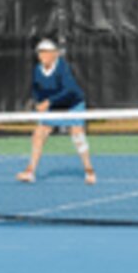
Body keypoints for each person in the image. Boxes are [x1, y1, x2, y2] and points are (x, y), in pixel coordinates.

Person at [16, 38, 96, 185]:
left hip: (73, 104)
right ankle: (30, 171)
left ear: (55, 54)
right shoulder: (37, 70)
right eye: (41, 53)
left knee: (77, 133)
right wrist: (39, 103)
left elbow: (69, 90)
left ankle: (89, 170)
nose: (43, 56)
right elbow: (36, 89)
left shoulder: (62, 68)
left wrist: (48, 102)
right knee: (39, 134)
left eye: (47, 52)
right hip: (53, 107)